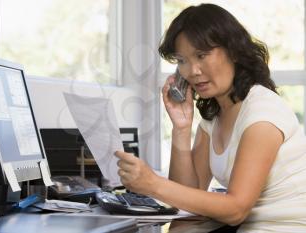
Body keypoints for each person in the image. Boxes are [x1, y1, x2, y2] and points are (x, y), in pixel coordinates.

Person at [115, 3, 306, 232]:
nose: (193, 71)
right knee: (182, 227)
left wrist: (153, 185)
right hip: (247, 226)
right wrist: (181, 129)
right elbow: (186, 198)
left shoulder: (262, 112)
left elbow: (236, 209)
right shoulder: (214, 116)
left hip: (284, 227)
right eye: (182, 61)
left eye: (201, 55)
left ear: (233, 51)